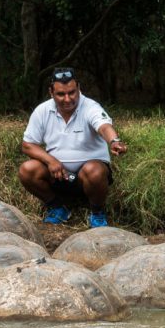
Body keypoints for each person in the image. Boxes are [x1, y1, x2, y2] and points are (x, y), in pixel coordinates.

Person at [18, 67, 128, 228]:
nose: (68, 99)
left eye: (72, 92)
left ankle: (97, 212)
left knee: (94, 171)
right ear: (51, 92)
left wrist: (114, 141)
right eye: (61, 94)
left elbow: (104, 126)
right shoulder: (42, 111)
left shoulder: (91, 107)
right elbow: (27, 145)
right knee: (27, 169)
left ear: (79, 89)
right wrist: (50, 161)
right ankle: (57, 208)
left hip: (89, 176)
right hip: (58, 175)